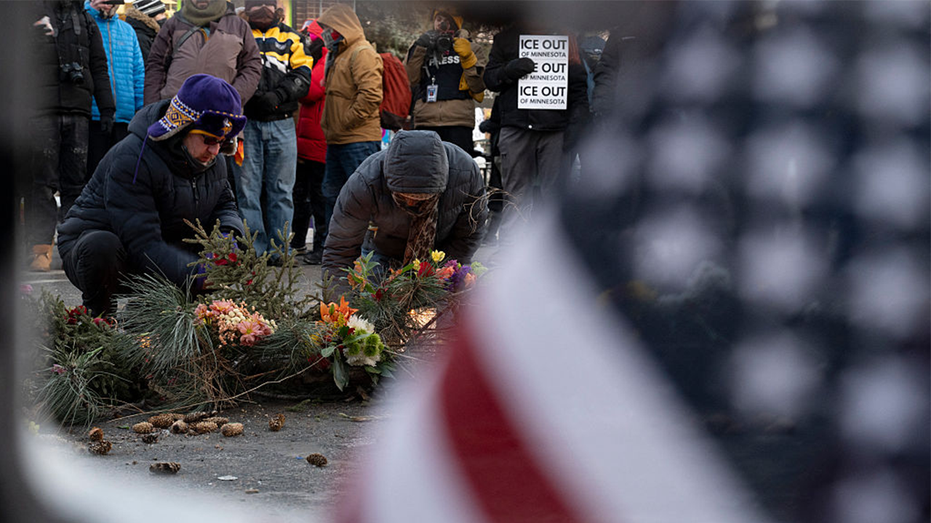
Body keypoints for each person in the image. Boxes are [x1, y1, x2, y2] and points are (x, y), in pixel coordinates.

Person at [57, 74, 247, 317]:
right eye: (208, 139)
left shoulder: (214, 159)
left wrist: (226, 240)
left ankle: (150, 312)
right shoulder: (133, 159)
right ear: (183, 127)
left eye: (221, 141)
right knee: (101, 246)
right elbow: (142, 241)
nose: (215, 150)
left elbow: (225, 207)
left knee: (210, 257)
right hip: (100, 250)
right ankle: (100, 317)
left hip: (160, 244)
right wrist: (197, 276)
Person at [322, 130, 487, 282]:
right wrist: (342, 309)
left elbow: (467, 236)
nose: (411, 204)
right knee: (375, 300)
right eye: (404, 197)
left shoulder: (464, 174)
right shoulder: (366, 181)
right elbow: (340, 251)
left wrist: (445, 273)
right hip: (383, 252)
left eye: (422, 199)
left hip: (442, 253)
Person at [26, 0, 115, 272]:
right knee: (40, 183)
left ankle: (72, 248)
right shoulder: (31, 14)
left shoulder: (86, 21)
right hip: (40, 110)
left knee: (75, 184)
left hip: (78, 111)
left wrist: (107, 107)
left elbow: (99, 65)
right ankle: (39, 250)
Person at [483, 22, 589, 243]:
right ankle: (510, 248)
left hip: (556, 129)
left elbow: (579, 88)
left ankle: (554, 251)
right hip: (516, 125)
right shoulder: (506, 38)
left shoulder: (566, 37)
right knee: (514, 193)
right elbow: (490, 79)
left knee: (555, 194)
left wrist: (577, 125)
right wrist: (510, 69)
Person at [236, 0, 313, 258]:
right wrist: (251, 96)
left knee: (281, 190)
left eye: (267, 4)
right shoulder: (239, 33)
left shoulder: (292, 37)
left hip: (281, 122)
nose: (262, 9)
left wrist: (278, 95)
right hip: (246, 123)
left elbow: (303, 75)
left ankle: (280, 250)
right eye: (255, 4)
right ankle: (254, 251)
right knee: (247, 191)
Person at [316, 3, 383, 257]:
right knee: (333, 196)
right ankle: (339, 252)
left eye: (331, 28)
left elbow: (370, 96)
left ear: (342, 28)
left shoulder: (362, 52)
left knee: (364, 200)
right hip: (337, 140)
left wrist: (345, 122)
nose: (327, 33)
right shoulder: (339, 54)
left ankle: (368, 255)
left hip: (357, 140)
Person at [144, 0, 261, 107]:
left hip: (221, 115)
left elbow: (251, 66)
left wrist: (232, 98)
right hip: (174, 113)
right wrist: (153, 109)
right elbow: (156, 66)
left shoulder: (239, 26)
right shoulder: (173, 24)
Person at [404, 8, 485, 154]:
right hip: (425, 120)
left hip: (458, 121)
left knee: (457, 170)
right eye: (438, 20)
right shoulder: (422, 47)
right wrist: (420, 47)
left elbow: (478, 86)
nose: (441, 24)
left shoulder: (471, 47)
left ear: (455, 24)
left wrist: (467, 58)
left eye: (447, 21)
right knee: (426, 170)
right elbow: (409, 79)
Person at [84, 0, 145, 178]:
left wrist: (140, 112)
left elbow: (138, 74)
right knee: (93, 175)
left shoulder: (127, 31)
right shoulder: (85, 24)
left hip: (125, 119)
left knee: (122, 176)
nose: (108, 6)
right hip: (94, 115)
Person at [292, 19, 328, 265]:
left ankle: (321, 247)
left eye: (309, 37)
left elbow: (311, 90)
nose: (305, 41)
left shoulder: (324, 62)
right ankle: (298, 242)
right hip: (305, 139)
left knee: (318, 197)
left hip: (318, 142)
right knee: (300, 194)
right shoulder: (314, 61)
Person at [121, 0, 168, 65]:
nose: (164, 17)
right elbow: (149, 65)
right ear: (150, 16)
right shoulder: (141, 37)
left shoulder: (150, 33)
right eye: (161, 14)